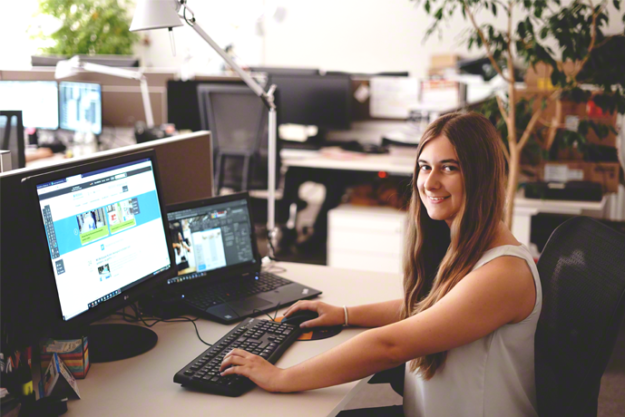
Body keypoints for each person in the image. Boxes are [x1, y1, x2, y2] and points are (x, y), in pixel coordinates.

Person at [219, 112, 542, 417]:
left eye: (449, 168)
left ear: (481, 177)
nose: (429, 183)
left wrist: (281, 377)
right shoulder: (467, 246)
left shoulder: (502, 273)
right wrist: (345, 314)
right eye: (425, 167)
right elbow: (429, 309)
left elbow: (391, 346)